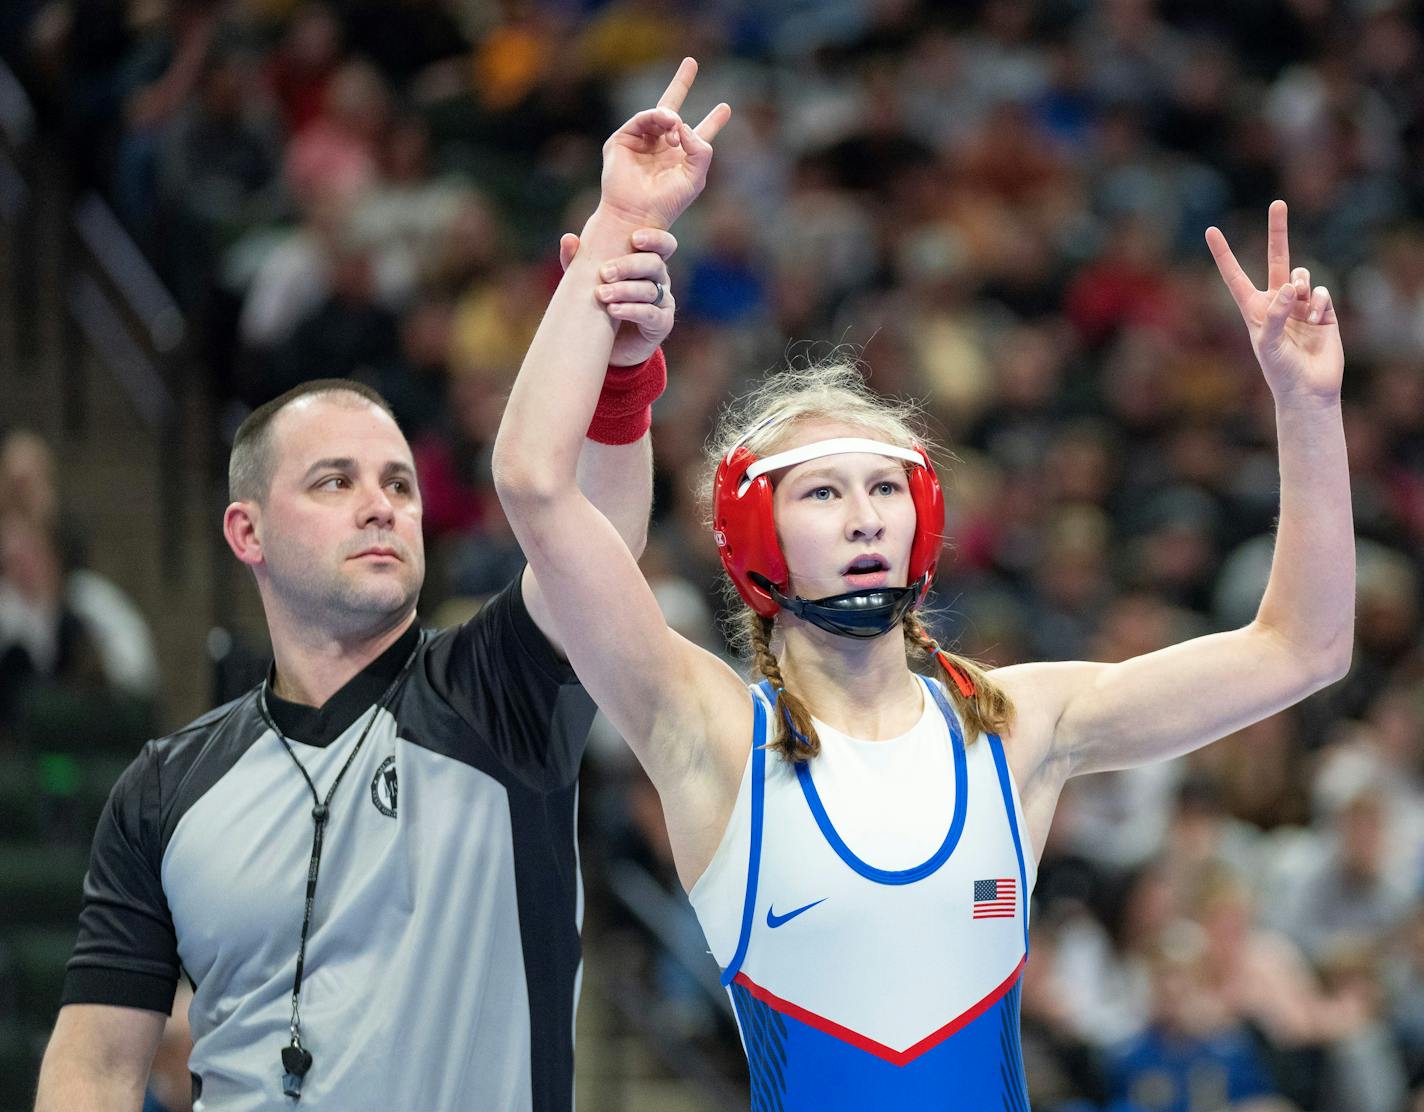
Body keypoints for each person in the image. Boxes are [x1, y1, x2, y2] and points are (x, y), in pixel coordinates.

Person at [492, 61, 1353, 1109]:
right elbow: (536, 486)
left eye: (882, 488)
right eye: (819, 492)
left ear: (924, 520)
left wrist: (1306, 411)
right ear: (751, 531)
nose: (861, 513)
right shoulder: (704, 726)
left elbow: (1302, 647)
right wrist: (618, 234)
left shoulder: (1022, 723)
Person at [32, 65, 698, 1108]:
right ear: (245, 530)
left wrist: (618, 364)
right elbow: (95, 1060)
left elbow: (593, 545)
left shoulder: (498, 694)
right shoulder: (165, 788)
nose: (380, 502)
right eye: (333, 481)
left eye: (396, 481)